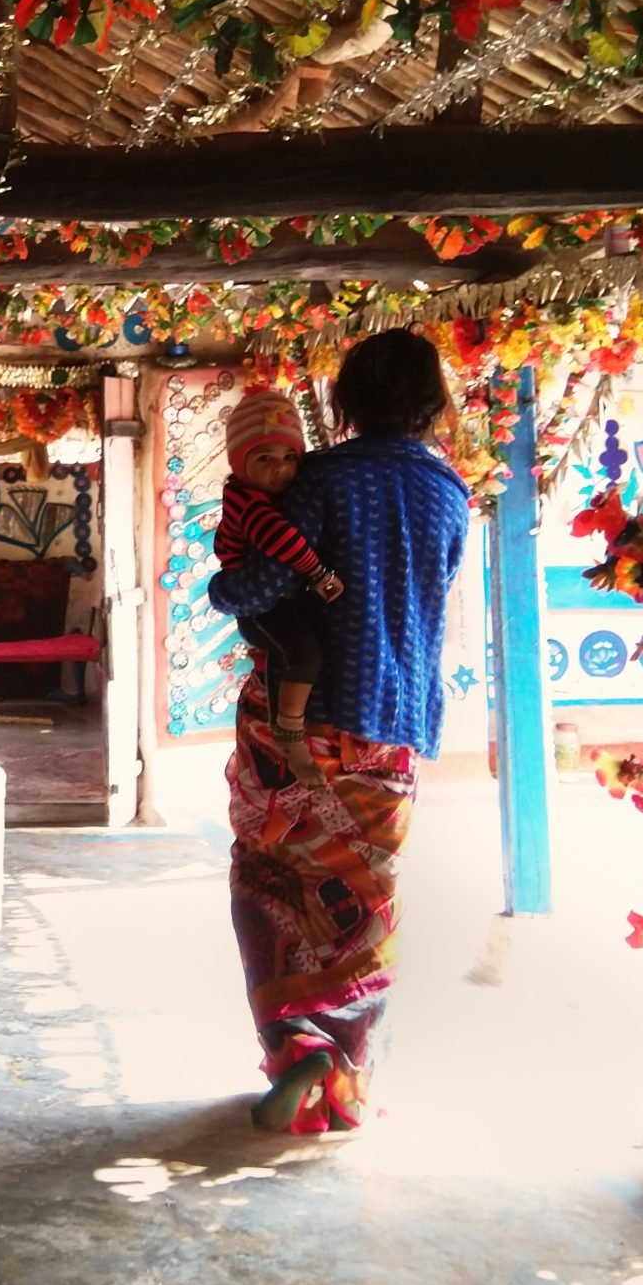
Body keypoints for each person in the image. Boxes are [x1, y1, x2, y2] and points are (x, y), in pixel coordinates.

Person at [206, 332, 470, 1133]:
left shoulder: (316, 480)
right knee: (365, 899)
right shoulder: (450, 492)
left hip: (293, 730)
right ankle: (347, 1070)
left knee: (269, 880)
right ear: (432, 400)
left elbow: (263, 580)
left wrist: (221, 587)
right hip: (390, 728)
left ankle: (294, 1048)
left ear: (345, 401)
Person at [213, 390, 343, 785]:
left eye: (290, 458)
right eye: (264, 459)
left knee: (286, 659)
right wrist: (320, 574)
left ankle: (281, 722)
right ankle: (289, 735)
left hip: (271, 605)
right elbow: (284, 543)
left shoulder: (261, 494)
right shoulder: (251, 504)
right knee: (305, 655)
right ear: (240, 463)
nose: (281, 471)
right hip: (261, 609)